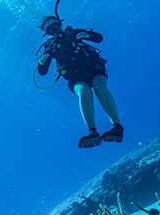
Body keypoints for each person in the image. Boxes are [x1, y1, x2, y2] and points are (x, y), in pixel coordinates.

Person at [37, 15, 124, 148]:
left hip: (95, 68)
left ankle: (117, 126)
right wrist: (42, 62)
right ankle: (92, 132)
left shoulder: (74, 33)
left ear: (60, 24)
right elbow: (42, 72)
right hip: (75, 79)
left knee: (98, 84)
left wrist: (87, 34)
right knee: (83, 90)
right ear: (47, 34)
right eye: (50, 30)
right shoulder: (50, 47)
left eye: (56, 26)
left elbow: (99, 38)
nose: (55, 30)